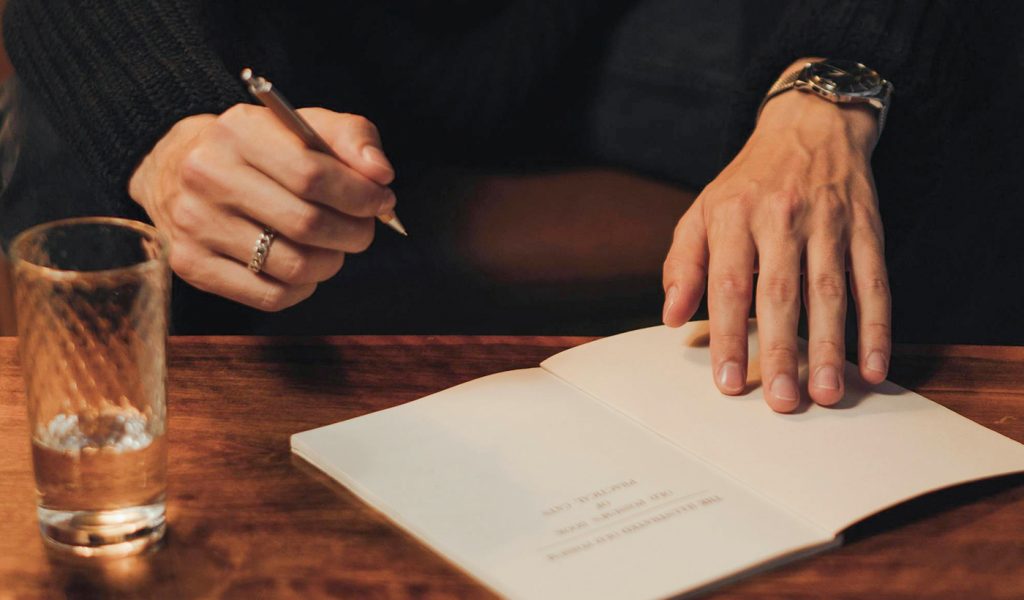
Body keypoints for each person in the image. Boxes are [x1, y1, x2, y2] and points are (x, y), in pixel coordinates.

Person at [2, 1, 1021, 413]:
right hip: (263, 40)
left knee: (965, 92)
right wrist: (162, 125)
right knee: (68, 167)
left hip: (609, 28)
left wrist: (829, 90)